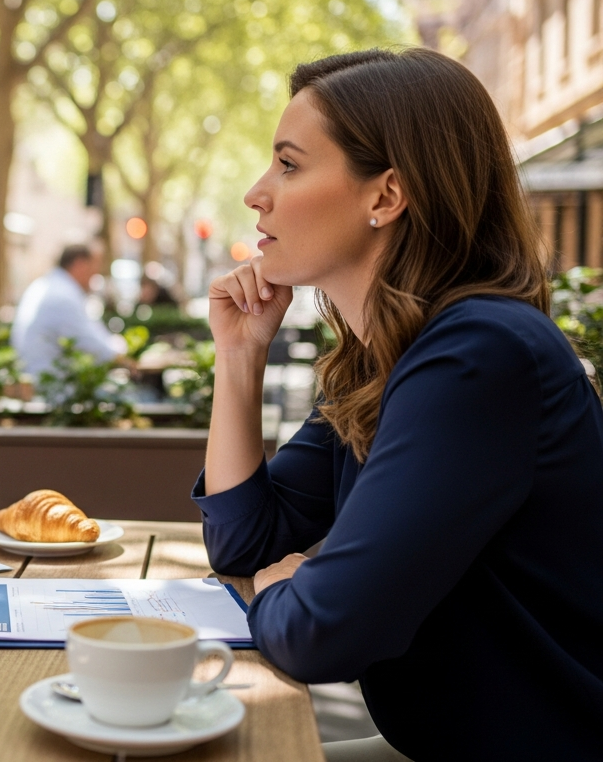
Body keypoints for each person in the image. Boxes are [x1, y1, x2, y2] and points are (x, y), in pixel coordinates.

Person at [197, 48, 603, 762]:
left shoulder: (479, 356)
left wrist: (278, 588)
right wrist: (239, 358)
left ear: (386, 196)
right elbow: (247, 542)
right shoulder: (389, 356)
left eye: (289, 165)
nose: (257, 193)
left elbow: (323, 632)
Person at [10, 245, 125, 378]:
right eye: (94, 267)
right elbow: (99, 349)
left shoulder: (49, 285)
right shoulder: (62, 296)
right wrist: (121, 349)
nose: (96, 274)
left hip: (40, 378)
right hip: (52, 386)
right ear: (80, 264)